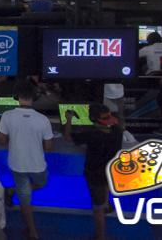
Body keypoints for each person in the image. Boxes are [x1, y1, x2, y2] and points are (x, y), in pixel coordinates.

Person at [0, 81, 53, 240]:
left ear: (16, 97)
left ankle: (12, 191)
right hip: (38, 165)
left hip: (17, 164)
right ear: (34, 97)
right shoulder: (43, 119)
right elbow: (49, 147)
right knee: (37, 187)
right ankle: (33, 232)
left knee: (25, 197)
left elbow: (1, 140)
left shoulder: (7, 116)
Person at [63, 103, 123, 240]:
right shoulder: (117, 130)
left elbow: (68, 137)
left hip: (95, 174)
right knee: (105, 187)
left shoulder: (92, 135)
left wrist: (69, 120)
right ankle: (106, 203)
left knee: (97, 208)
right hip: (111, 171)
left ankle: (100, 236)